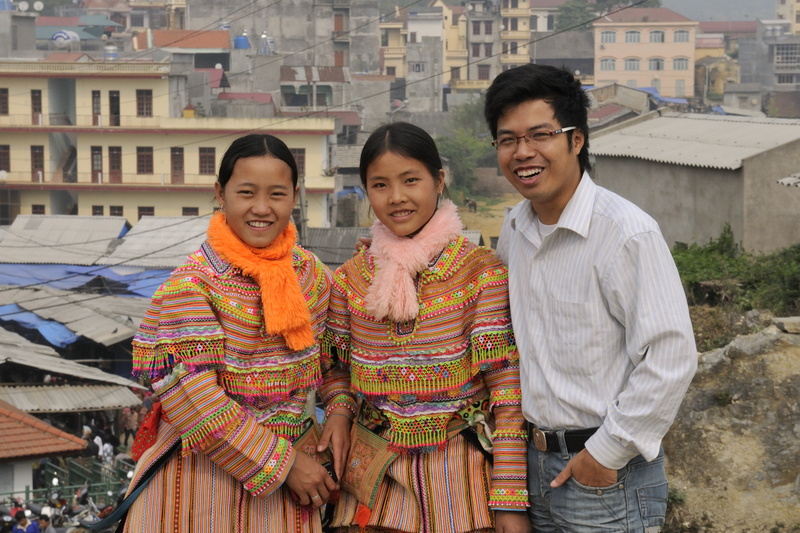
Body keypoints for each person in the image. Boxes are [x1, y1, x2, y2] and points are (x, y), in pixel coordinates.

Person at [484, 63, 698, 531]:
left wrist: (603, 455)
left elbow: (671, 356)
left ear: (576, 139)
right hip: (533, 469)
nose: (523, 153)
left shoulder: (624, 232)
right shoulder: (515, 229)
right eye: (507, 140)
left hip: (606, 477)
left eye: (539, 135)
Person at [124, 134, 356, 532]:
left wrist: (338, 411)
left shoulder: (313, 276)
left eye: (277, 194)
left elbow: (335, 359)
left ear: (295, 196)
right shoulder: (193, 282)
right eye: (246, 192)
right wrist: (283, 465)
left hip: (290, 486)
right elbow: (193, 396)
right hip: (195, 480)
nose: (261, 209)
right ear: (220, 193)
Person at [326, 122, 530, 533]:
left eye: (411, 180)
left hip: (461, 480)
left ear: (439, 181)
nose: (397, 197)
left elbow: (506, 393)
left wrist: (509, 501)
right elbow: (336, 372)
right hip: (374, 484)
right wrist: (339, 413)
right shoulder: (349, 279)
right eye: (380, 185)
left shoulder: (480, 273)